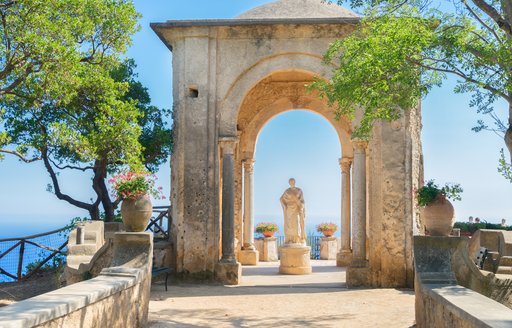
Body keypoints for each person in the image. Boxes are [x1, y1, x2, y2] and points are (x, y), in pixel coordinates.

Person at [280, 178, 306, 244]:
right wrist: (285, 206)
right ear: (289, 183)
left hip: (296, 209)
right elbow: (281, 199)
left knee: (297, 223)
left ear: (295, 182)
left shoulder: (299, 190)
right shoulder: (287, 191)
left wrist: (301, 206)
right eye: (290, 182)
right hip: (289, 209)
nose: (292, 183)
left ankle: (297, 239)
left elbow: (302, 200)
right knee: (290, 224)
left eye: (293, 181)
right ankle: (290, 239)